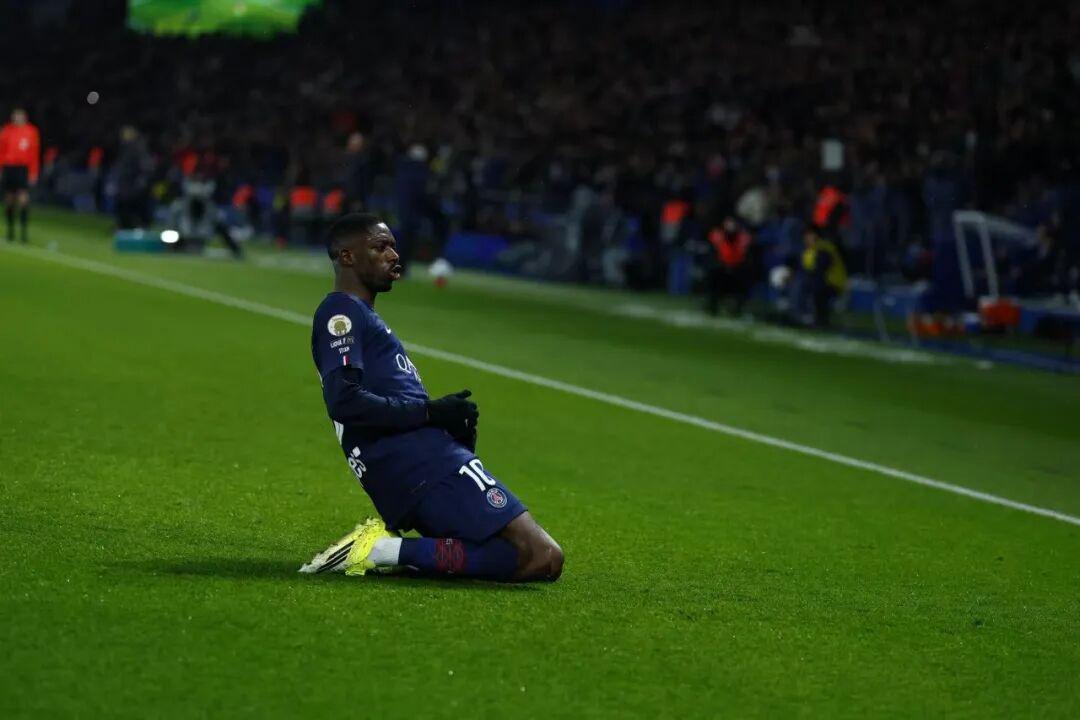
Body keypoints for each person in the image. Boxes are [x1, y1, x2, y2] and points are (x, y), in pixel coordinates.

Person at [300, 213, 564, 581]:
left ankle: (391, 552)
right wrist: (430, 413)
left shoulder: (364, 316)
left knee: (516, 555)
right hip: (418, 462)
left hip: (418, 462)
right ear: (347, 256)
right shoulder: (341, 311)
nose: (394, 255)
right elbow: (344, 401)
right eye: (380, 247)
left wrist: (450, 425)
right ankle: (377, 550)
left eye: (393, 246)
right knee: (542, 556)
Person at [0, 108, 40, 242]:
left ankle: (23, 234)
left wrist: (33, 172)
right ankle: (10, 231)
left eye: (19, 116)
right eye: (15, 116)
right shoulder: (7, 130)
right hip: (9, 168)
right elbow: (1, 151)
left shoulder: (31, 131)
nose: (16, 118)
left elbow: (34, 153)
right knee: (9, 200)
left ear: (25, 117)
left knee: (23, 199)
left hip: (22, 169)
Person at [705, 216, 755, 316]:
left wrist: (735, 267)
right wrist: (723, 266)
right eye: (728, 223)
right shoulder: (718, 235)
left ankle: (738, 308)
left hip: (738, 268)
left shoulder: (744, 237)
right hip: (721, 268)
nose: (730, 226)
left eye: (732, 223)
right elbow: (713, 255)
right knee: (714, 275)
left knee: (744, 277)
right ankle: (713, 306)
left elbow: (747, 257)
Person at [800, 226, 848, 327]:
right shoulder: (809, 250)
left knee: (816, 287)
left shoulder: (824, 248)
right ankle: (804, 316)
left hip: (834, 283)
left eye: (809, 235)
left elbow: (820, 269)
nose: (806, 239)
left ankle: (820, 320)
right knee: (804, 284)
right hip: (822, 281)